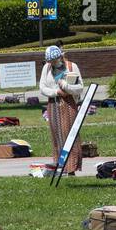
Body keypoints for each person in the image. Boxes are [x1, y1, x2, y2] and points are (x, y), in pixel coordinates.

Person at [39, 44, 85, 175]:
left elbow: (80, 87)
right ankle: (60, 166)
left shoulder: (72, 67)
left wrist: (66, 86)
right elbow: (42, 87)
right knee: (57, 136)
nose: (52, 63)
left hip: (69, 104)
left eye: (54, 60)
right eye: (50, 61)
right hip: (53, 104)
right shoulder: (46, 68)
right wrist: (56, 92)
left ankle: (71, 168)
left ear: (60, 56)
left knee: (69, 135)